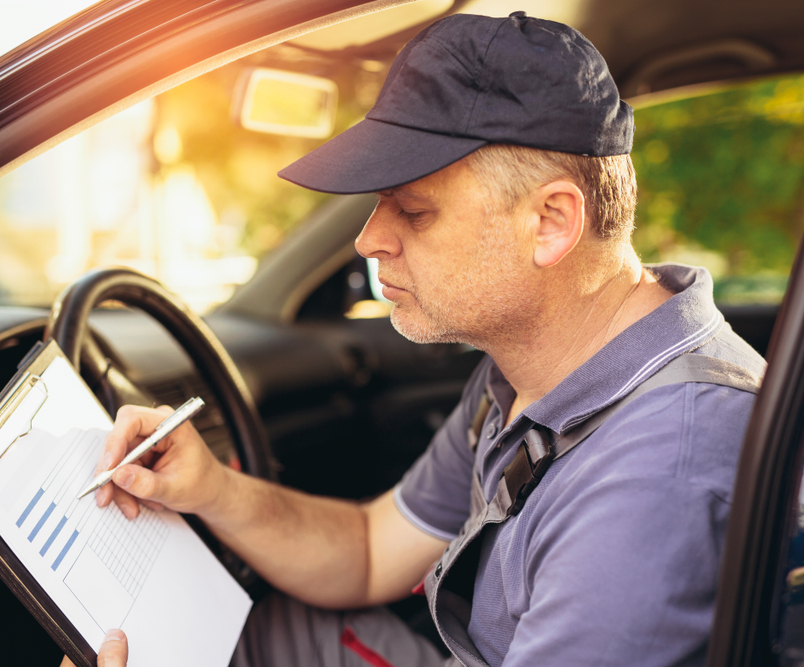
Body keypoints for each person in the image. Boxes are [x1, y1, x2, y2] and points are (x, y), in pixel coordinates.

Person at [76, 12, 765, 667]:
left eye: (413, 210)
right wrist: (212, 488)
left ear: (551, 222)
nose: (369, 238)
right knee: (262, 624)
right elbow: (372, 549)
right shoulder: (530, 364)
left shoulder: (654, 484)